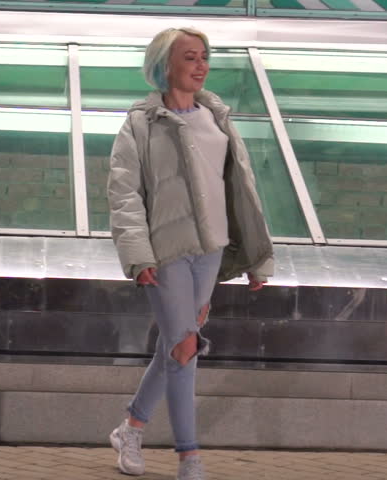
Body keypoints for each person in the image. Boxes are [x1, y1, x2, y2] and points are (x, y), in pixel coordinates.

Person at [106, 27, 275, 480]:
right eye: (189, 58)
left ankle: (132, 427)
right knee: (184, 347)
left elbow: (242, 192)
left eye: (204, 58)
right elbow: (124, 195)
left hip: (211, 250)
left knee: (177, 345)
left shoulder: (217, 118)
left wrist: (257, 258)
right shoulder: (141, 123)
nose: (200, 67)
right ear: (165, 64)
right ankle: (189, 457)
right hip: (165, 252)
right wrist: (138, 256)